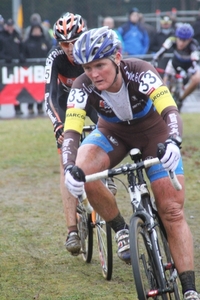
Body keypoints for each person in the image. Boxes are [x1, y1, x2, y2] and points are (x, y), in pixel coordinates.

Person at [62, 26, 199, 300]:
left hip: (154, 132)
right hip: (113, 134)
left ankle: (190, 290)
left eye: (100, 65)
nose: (94, 74)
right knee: (84, 171)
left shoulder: (140, 70)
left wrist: (173, 141)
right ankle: (121, 229)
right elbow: (72, 133)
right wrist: (69, 169)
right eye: (87, 67)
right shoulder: (82, 86)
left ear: (117, 57)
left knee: (171, 210)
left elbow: (170, 109)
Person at [44, 12, 100, 255]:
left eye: (73, 42)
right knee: (65, 161)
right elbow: (49, 95)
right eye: (64, 43)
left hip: (93, 102)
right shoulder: (55, 57)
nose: (69, 48)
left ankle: (103, 180)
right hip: (68, 107)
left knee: (105, 140)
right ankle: (72, 230)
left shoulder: (92, 49)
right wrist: (59, 125)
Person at [152, 23, 200, 111]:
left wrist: (193, 70)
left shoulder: (193, 45)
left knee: (197, 78)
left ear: (189, 40)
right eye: (180, 39)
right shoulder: (171, 39)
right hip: (174, 63)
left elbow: (195, 60)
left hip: (188, 67)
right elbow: (161, 52)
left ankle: (181, 100)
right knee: (164, 85)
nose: (181, 43)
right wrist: (154, 60)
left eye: (184, 40)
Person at [24, 23, 51, 115]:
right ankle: (30, 106)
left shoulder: (45, 41)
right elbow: (23, 53)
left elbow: (49, 52)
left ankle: (40, 106)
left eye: (38, 29)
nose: (36, 31)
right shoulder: (27, 42)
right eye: (34, 30)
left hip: (42, 69)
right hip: (30, 69)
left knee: (41, 88)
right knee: (30, 87)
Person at [2, 18, 24, 116]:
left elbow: (22, 48)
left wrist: (21, 57)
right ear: (5, 26)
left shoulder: (17, 35)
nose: (10, 28)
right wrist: (5, 58)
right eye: (8, 26)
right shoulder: (1, 36)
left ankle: (17, 108)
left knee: (16, 87)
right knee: (1, 88)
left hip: (15, 67)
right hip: (3, 67)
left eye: (11, 26)